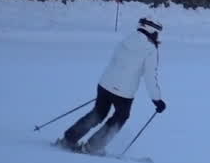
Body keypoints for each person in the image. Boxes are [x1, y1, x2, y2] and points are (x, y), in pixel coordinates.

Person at [57, 17, 167, 155]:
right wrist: (157, 100)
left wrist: (110, 87)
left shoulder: (127, 38)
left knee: (98, 113)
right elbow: (150, 77)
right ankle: (92, 147)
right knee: (121, 116)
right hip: (124, 93)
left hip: (104, 85)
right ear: (153, 31)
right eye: (159, 32)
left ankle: (68, 140)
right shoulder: (150, 49)